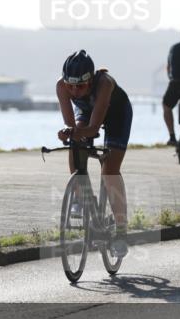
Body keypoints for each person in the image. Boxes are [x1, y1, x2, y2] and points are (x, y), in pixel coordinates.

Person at [56, 50, 133, 257]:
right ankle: (82, 199)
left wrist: (78, 133)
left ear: (90, 81)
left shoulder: (105, 83)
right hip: (88, 113)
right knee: (75, 143)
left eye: (80, 86)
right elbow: (72, 126)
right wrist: (67, 133)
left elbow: (93, 128)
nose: (74, 91)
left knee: (109, 170)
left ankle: (121, 232)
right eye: (70, 86)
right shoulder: (61, 87)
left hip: (116, 114)